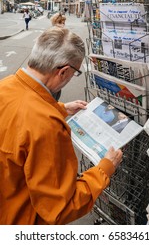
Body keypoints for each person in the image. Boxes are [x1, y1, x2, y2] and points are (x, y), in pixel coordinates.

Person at [0, 26, 123, 225]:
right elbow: (60, 208)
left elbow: (20, 112)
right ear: (64, 71)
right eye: (75, 72)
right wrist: (104, 169)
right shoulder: (46, 126)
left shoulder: (5, 85)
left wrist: (62, 108)